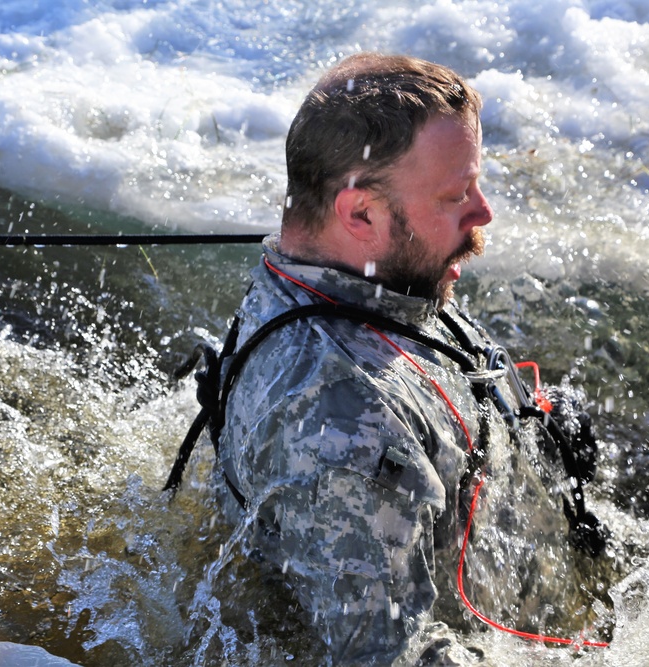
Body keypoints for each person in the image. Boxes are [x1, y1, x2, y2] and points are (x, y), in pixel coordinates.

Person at [169, 52, 604, 664]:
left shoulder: (380, 280)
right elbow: (390, 656)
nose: (484, 213)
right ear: (360, 213)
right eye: (456, 195)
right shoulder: (337, 420)